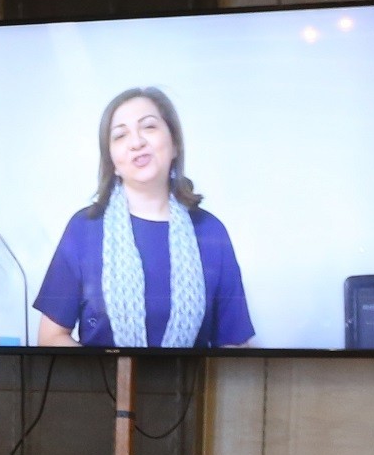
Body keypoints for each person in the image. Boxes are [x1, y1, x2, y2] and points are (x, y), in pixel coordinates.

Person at [34, 88, 254, 350]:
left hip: (190, 379)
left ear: (175, 144)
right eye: (120, 135)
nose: (136, 142)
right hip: (103, 378)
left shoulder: (210, 232)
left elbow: (235, 346)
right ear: (112, 161)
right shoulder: (84, 230)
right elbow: (50, 338)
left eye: (149, 126)